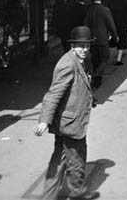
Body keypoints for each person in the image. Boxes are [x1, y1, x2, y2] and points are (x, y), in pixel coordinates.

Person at [34, 26, 100, 200]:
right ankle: (77, 193)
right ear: (72, 46)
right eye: (81, 46)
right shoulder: (68, 64)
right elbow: (53, 94)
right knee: (75, 159)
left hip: (68, 120)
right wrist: (44, 121)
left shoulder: (79, 60)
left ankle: (54, 195)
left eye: (87, 45)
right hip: (70, 123)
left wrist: (90, 98)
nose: (85, 50)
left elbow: (78, 86)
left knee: (60, 159)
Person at [84, 0, 118, 89]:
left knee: (95, 60)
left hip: (92, 39)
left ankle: (97, 82)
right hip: (103, 39)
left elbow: (85, 24)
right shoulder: (105, 10)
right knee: (104, 58)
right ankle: (97, 74)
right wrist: (115, 36)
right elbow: (111, 25)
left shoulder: (89, 9)